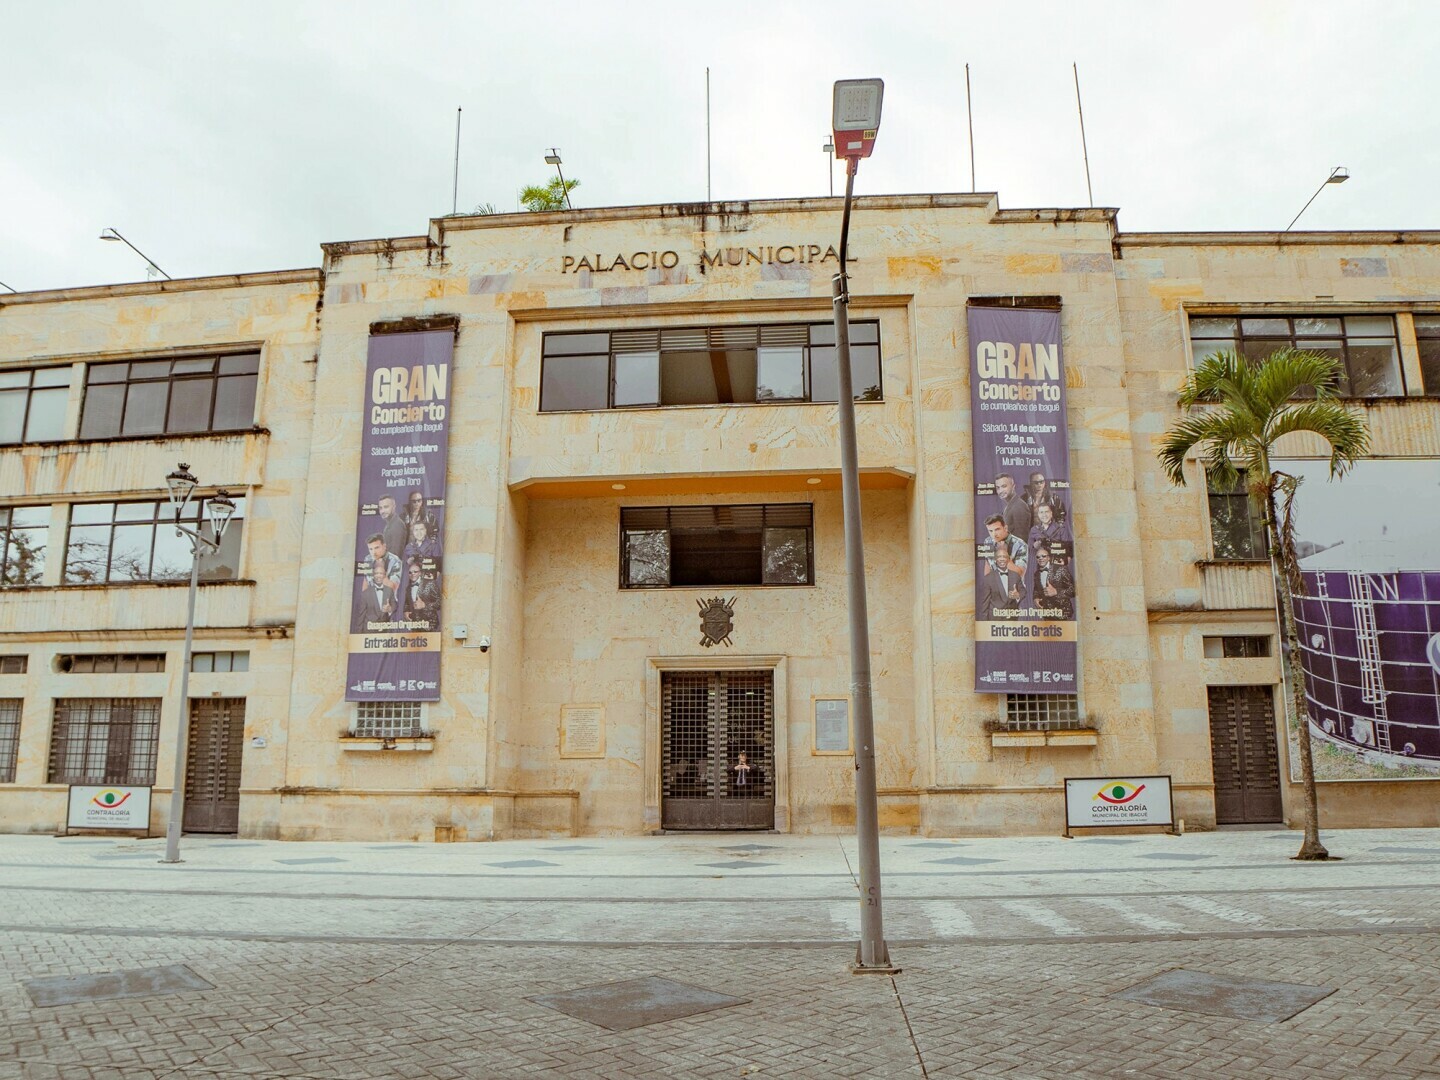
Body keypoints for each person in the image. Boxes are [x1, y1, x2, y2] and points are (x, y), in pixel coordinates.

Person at [979, 544, 1024, 620]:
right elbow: (985, 603)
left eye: (1004, 557)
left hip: (1012, 619)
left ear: (1008, 559)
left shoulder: (1015, 575)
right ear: (995, 560)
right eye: (999, 557)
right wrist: (984, 623)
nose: (1002, 559)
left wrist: (1018, 595)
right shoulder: (988, 578)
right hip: (995, 619)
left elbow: (1023, 591)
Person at [1034, 547, 1076, 620]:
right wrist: (1035, 598)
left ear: (1049, 558)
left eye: (1043, 556)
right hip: (1047, 614)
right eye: (1038, 557)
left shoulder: (1061, 569)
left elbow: (1074, 590)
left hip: (1063, 614)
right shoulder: (1036, 573)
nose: (1040, 558)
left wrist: (1056, 592)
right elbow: (1036, 589)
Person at [994, 473, 1032, 543]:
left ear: (1013, 486)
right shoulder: (1010, 505)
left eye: (1004, 486)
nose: (1000, 491)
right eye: (998, 488)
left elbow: (1022, 540)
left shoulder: (1019, 506)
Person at [406, 560, 442, 629]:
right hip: (415, 625)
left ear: (420, 573)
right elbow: (407, 603)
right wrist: (406, 611)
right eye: (410, 572)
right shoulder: (408, 587)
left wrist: (425, 605)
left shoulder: (430, 583)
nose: (412, 574)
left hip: (430, 625)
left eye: (415, 572)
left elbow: (440, 602)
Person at [359, 562, 397, 626]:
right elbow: (361, 616)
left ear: (384, 575)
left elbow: (395, 605)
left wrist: (390, 609)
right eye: (376, 573)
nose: (378, 576)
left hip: (385, 628)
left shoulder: (389, 590)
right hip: (369, 629)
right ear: (373, 575)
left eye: (381, 573)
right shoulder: (365, 593)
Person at [377, 495, 409, 563]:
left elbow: (395, 556)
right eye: (380, 508)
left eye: (386, 507)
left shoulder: (397, 525)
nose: (382, 511)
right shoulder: (390, 524)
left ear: (394, 507)